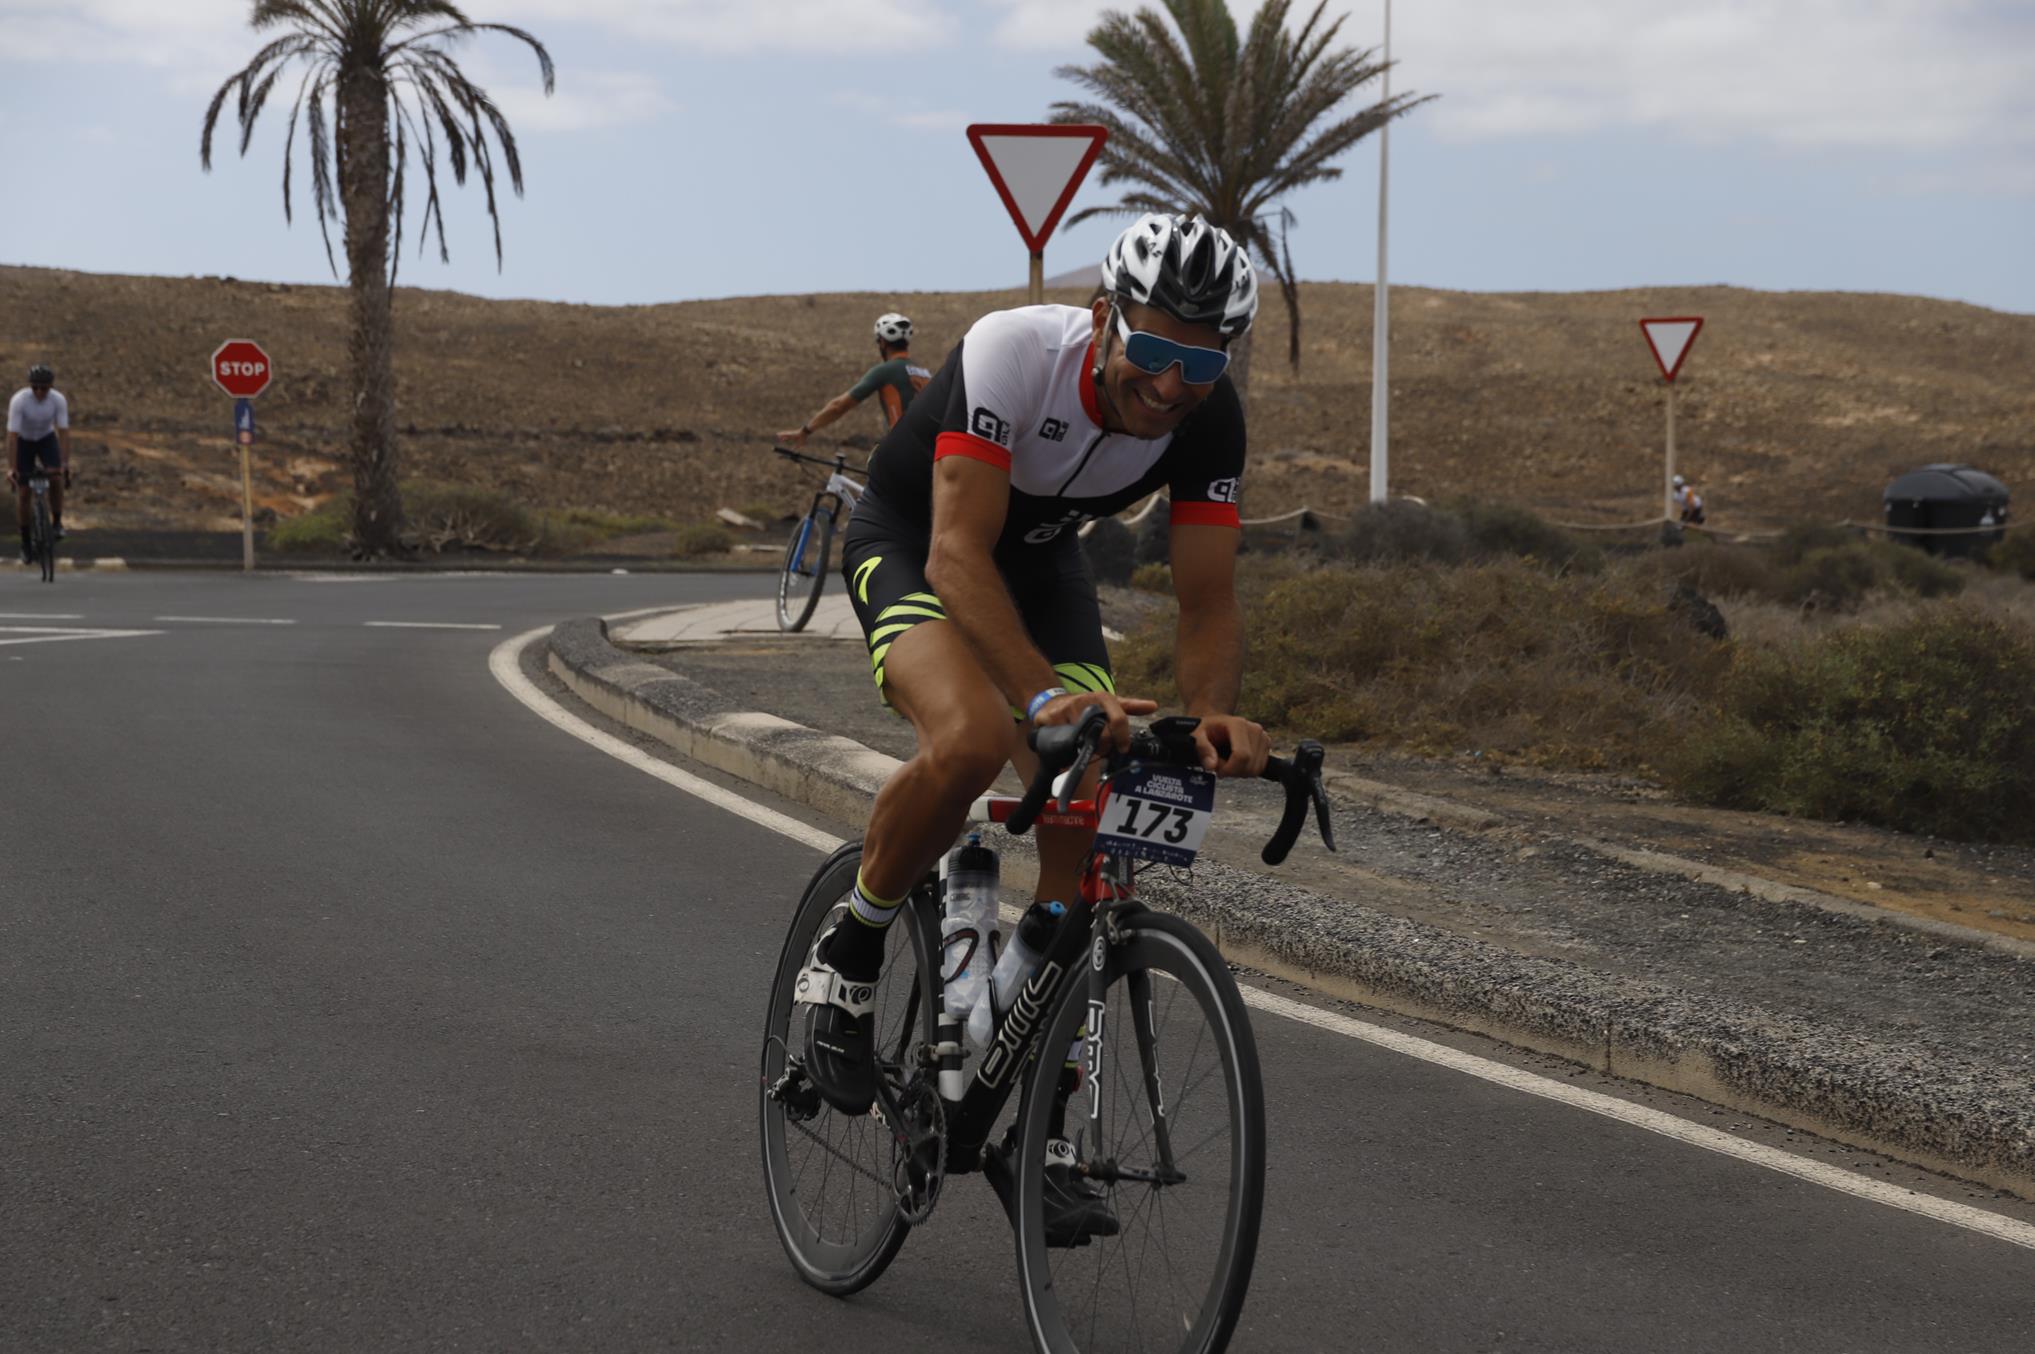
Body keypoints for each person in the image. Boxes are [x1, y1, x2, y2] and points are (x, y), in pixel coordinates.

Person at [792, 213, 1271, 1243]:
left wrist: (1214, 713)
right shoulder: (1014, 353)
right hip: (921, 543)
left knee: (1092, 830)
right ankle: (851, 949)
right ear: (1103, 320)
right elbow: (960, 554)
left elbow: (1206, 600)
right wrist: (1047, 699)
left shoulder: (1209, 419)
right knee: (968, 741)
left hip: (1043, 566)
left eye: (1200, 360)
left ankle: (1037, 1132)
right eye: (1151, 349)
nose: (1172, 382)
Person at [777, 313, 931, 447]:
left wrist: (806, 430)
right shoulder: (925, 373)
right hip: (931, 450)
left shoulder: (885, 370)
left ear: (882, 342)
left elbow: (839, 406)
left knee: (875, 470)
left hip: (903, 448)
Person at [7, 364, 72, 563]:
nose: (39, 392)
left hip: (46, 439)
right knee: (24, 493)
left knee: (56, 477)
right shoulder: (20, 400)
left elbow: (63, 433)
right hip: (23, 442)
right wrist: (11, 468)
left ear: (51, 387)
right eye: (35, 387)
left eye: (44, 388)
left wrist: (64, 463)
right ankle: (26, 543)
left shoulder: (58, 400)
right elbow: (11, 436)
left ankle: (57, 522)